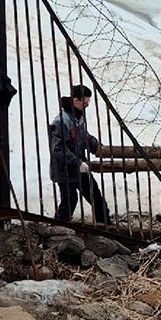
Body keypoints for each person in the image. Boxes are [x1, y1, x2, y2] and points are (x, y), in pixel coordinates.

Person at [50, 84, 110, 224]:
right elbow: (59, 149)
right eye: (85, 103)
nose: (86, 106)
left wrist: (96, 146)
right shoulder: (61, 121)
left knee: (95, 196)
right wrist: (78, 163)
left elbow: (84, 136)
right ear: (75, 100)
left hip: (80, 167)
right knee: (70, 200)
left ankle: (106, 226)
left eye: (88, 103)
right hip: (64, 170)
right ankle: (58, 227)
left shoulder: (78, 117)